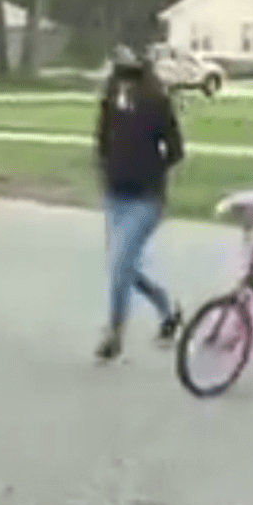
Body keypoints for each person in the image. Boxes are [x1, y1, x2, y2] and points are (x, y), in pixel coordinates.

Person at [92, 44, 185, 361]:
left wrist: (149, 168)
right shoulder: (110, 100)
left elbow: (175, 150)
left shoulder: (156, 102)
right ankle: (167, 309)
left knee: (120, 266)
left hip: (146, 198)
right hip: (115, 195)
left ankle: (114, 335)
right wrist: (108, 168)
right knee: (122, 267)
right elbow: (101, 141)